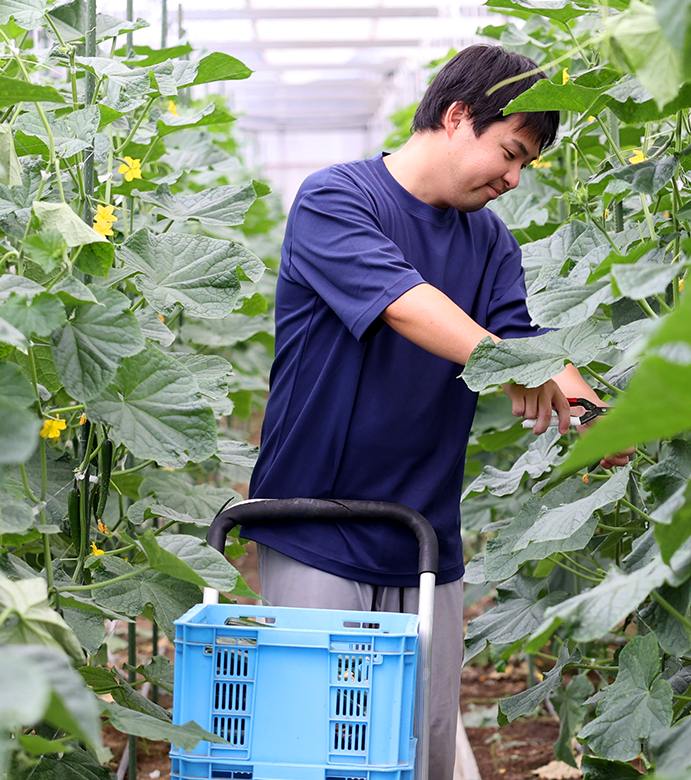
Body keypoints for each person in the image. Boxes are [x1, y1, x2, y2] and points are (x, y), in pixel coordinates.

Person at [245, 44, 632, 780]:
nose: (513, 180)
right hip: (313, 522)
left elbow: (520, 340)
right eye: (509, 153)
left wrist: (588, 411)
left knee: (417, 753)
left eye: (525, 166)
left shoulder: (489, 241)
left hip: (425, 538)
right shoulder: (337, 199)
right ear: (458, 117)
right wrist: (526, 364)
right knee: (313, 753)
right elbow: (406, 307)